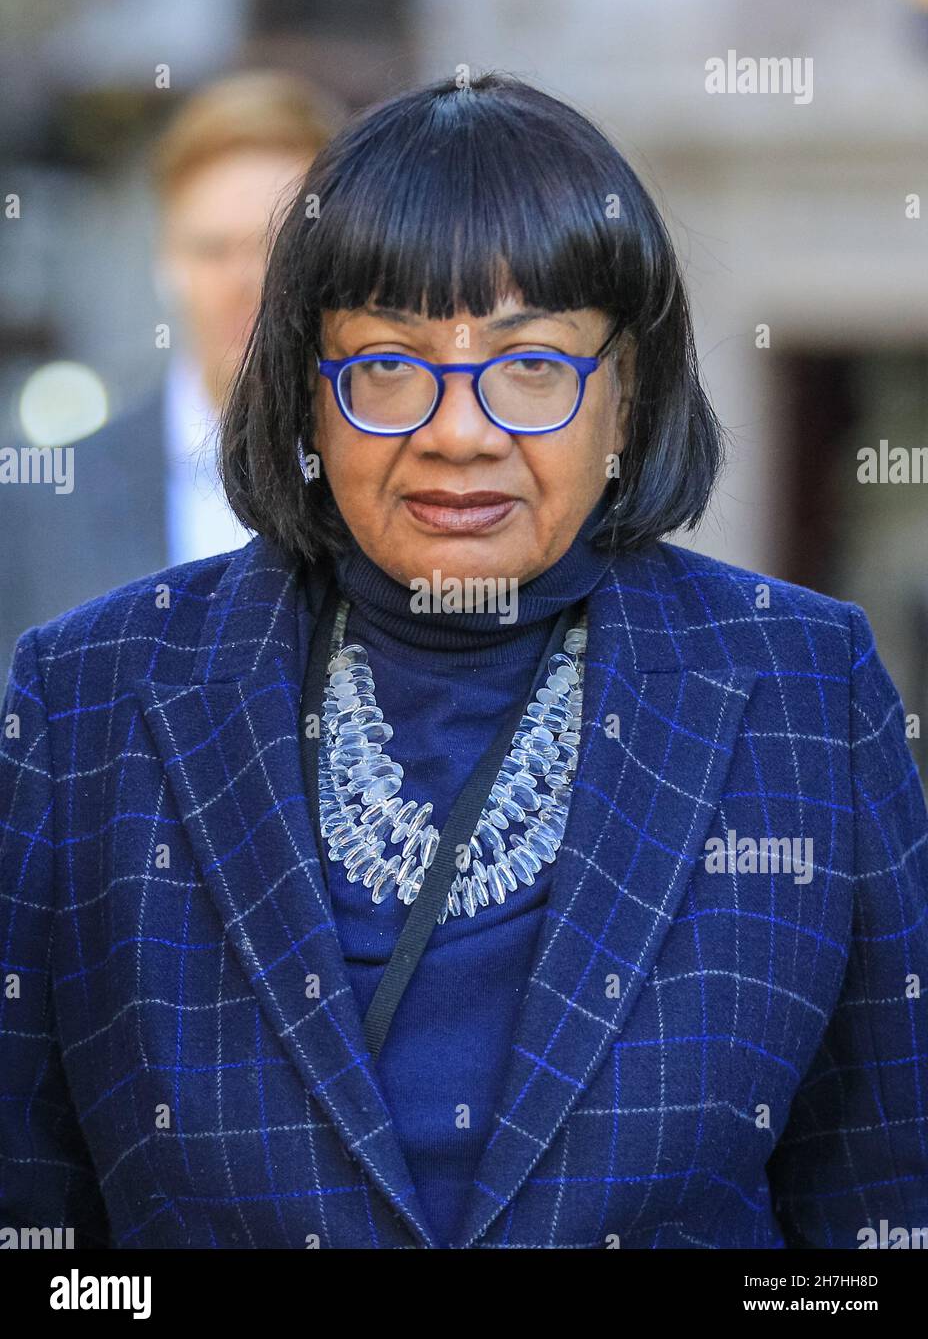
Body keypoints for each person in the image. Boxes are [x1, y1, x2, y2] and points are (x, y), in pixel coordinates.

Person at [1, 72, 926, 1252]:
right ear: (304, 394)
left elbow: (885, 1214)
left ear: (626, 394)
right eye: (386, 363)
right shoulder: (92, 701)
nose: (459, 429)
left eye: (532, 364)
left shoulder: (805, 691)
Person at [0, 70, 337, 683]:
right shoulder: (41, 506)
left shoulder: (392, 486)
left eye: (275, 248)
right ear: (166, 263)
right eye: (213, 249)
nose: (247, 282)